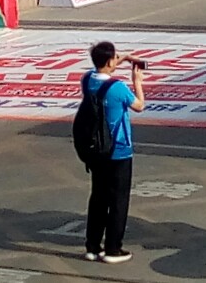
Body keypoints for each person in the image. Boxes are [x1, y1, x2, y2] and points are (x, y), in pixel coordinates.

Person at [82, 41, 145, 264]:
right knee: (118, 200)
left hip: (96, 149)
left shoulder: (87, 80)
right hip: (118, 150)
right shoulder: (117, 88)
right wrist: (137, 82)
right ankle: (113, 248)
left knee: (98, 197)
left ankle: (92, 246)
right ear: (110, 62)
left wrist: (123, 58)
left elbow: (101, 67)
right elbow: (139, 105)